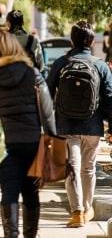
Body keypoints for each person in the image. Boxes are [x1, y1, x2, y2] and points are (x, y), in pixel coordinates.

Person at [0, 31, 56, 238]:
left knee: (8, 191)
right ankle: (30, 235)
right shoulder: (32, 73)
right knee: (30, 191)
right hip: (31, 140)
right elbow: (46, 108)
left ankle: (11, 235)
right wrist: (51, 134)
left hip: (4, 142)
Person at [46, 21, 112, 228]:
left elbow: (46, 92)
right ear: (91, 41)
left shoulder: (61, 63)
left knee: (72, 167)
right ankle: (87, 207)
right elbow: (109, 98)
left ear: (72, 40)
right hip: (92, 126)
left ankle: (77, 213)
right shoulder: (100, 65)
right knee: (88, 168)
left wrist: (47, 125)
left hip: (66, 125)